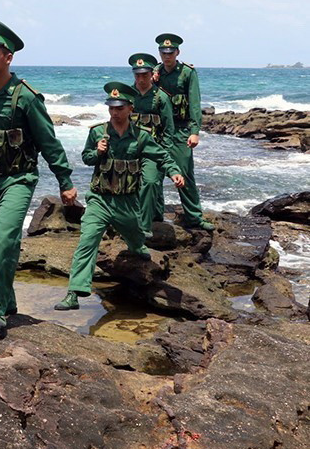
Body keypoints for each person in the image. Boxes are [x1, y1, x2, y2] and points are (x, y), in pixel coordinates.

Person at [0, 18, 78, 336]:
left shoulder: (25, 97)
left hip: (19, 178)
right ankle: (7, 299)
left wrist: (65, 182)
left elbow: (49, 142)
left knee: (7, 237)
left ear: (7, 57)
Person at [54, 82, 185, 311]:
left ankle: (137, 247)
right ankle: (74, 293)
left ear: (130, 109)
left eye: (120, 108)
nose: (115, 112)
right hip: (100, 199)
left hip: (127, 203)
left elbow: (162, 156)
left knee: (136, 239)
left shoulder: (141, 137)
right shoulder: (97, 132)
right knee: (87, 241)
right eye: (111, 108)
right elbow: (86, 158)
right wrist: (98, 152)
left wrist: (174, 172)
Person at [154, 33, 214, 231]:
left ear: (177, 52)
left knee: (185, 173)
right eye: (163, 52)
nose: (167, 56)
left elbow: (195, 103)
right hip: (159, 130)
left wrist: (195, 131)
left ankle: (194, 217)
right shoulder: (155, 72)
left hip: (181, 130)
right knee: (155, 175)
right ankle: (155, 216)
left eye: (170, 52)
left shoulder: (187, 73)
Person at [128, 53, 176, 239]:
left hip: (153, 150)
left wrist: (164, 156)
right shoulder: (128, 96)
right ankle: (155, 214)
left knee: (150, 181)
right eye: (137, 75)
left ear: (151, 74)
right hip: (132, 149)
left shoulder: (160, 98)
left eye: (144, 75)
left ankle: (144, 228)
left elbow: (169, 129)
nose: (140, 79)